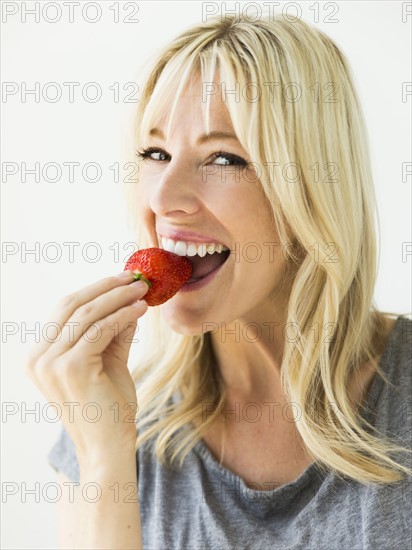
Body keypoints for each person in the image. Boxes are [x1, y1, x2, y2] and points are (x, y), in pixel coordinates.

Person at [26, 14, 411, 550]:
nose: (162, 198)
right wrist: (102, 454)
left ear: (311, 192)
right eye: (155, 154)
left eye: (224, 158)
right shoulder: (107, 416)